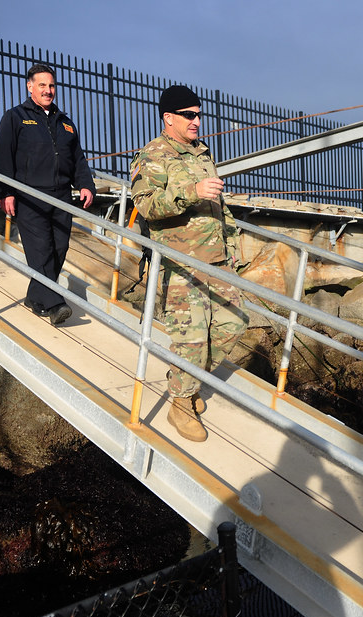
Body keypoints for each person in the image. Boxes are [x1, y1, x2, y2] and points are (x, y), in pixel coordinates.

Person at [130, 85, 248, 443]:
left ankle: (185, 383)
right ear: (169, 118)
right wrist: (190, 192)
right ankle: (181, 404)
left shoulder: (201, 153)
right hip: (180, 264)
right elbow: (147, 206)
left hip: (216, 260)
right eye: (189, 115)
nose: (198, 121)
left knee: (234, 324)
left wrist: (233, 248)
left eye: (199, 114)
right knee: (191, 339)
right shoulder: (152, 155)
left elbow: (218, 206)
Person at [0, 63, 95, 327]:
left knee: (59, 248)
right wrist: (5, 192)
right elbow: (3, 157)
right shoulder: (15, 117)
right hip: (29, 196)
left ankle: (35, 297)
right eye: (42, 85)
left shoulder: (66, 123)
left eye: (51, 86)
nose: (48, 91)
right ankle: (55, 304)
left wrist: (86, 185)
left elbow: (78, 159)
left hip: (61, 197)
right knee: (41, 251)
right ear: (30, 86)